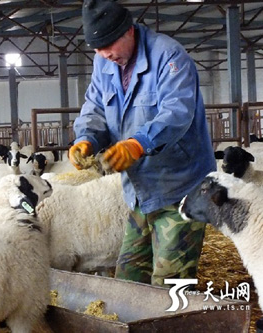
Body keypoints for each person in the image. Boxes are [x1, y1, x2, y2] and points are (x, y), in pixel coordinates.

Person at [69, 0, 217, 287]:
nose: (103, 54)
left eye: (108, 44)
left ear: (128, 31)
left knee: (170, 284)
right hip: (141, 191)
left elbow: (177, 113)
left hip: (181, 188)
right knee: (128, 281)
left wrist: (138, 144)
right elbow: (95, 108)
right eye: (97, 48)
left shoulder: (169, 56)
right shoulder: (103, 61)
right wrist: (86, 138)